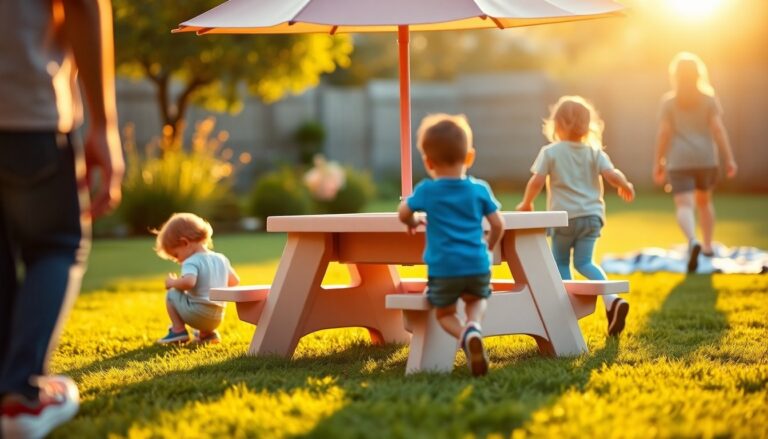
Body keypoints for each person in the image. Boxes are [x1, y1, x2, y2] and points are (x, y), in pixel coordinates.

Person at [0, 0, 124, 437]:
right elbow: (83, 7)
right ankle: (19, 396)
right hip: (24, 109)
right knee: (55, 244)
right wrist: (103, 125)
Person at [516, 96, 635, 337]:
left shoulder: (550, 152)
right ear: (588, 125)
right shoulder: (594, 152)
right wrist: (625, 184)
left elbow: (536, 180)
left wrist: (527, 202)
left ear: (556, 125)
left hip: (564, 220)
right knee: (586, 263)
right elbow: (611, 174)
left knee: (560, 262)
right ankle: (611, 300)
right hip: (592, 218)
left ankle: (568, 312)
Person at [398, 114, 504, 377]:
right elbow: (498, 224)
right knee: (477, 298)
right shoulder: (479, 190)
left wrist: (413, 218)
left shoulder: (426, 191)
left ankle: (462, 333)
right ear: (469, 157)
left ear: (428, 162)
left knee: (444, 313)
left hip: (443, 268)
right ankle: (474, 327)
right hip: (476, 264)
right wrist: (489, 247)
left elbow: (402, 212)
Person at [652, 52, 738, 273]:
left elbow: (664, 134)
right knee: (704, 203)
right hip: (706, 159)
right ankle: (707, 247)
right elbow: (718, 130)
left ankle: (692, 240)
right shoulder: (709, 99)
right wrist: (728, 158)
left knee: (684, 205)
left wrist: (658, 162)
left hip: (679, 160)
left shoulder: (669, 102)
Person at [153, 213, 240, 345]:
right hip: (217, 318)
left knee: (172, 294)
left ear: (185, 243)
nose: (178, 261)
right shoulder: (221, 258)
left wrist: (173, 282)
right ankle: (207, 334)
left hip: (197, 316)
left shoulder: (191, 261)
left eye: (176, 255)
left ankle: (178, 331)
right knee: (198, 300)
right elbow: (234, 281)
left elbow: (189, 282)